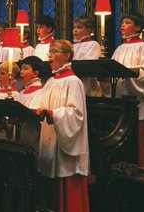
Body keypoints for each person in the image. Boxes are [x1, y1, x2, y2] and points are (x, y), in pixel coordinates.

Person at [36, 39, 90, 212]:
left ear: (67, 56)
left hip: (64, 144)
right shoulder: (51, 81)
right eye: (49, 52)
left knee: (66, 180)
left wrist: (53, 114)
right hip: (50, 140)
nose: (49, 55)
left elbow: (76, 114)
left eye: (54, 51)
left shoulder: (73, 82)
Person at [111, 13, 144, 169]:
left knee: (141, 137)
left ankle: (143, 168)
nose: (122, 25)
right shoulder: (120, 48)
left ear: (137, 27)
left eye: (127, 22)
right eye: (121, 22)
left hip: (139, 99)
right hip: (122, 97)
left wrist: (128, 74)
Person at [18, 56, 44, 151]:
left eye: (25, 68)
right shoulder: (22, 92)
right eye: (21, 68)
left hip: (33, 138)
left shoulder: (40, 93)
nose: (21, 71)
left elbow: (34, 116)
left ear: (35, 73)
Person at [72, 15, 102, 97]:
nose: (75, 30)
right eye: (74, 27)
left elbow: (90, 64)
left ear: (88, 30)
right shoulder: (73, 46)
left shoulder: (93, 44)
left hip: (87, 83)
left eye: (79, 27)